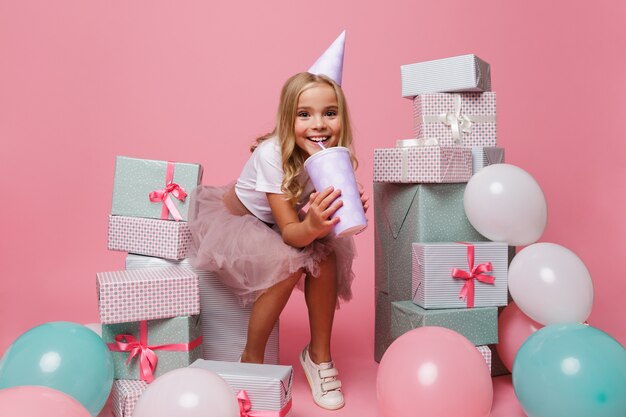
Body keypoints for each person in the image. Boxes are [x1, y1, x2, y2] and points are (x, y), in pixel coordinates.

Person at [188, 32, 368, 410]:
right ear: (288, 119)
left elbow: (307, 220)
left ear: (342, 119)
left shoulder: (331, 157)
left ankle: (319, 358)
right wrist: (316, 225)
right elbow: (290, 232)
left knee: (328, 256)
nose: (318, 124)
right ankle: (251, 359)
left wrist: (337, 213)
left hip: (287, 223)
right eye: (305, 115)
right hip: (245, 222)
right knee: (291, 263)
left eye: (329, 113)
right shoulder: (273, 154)